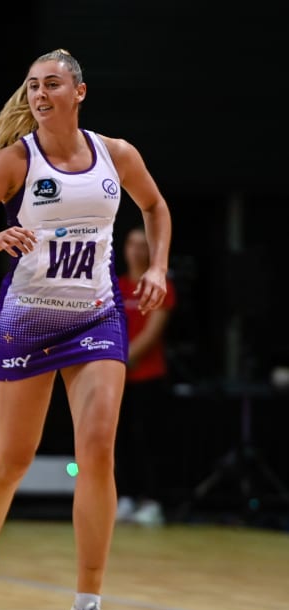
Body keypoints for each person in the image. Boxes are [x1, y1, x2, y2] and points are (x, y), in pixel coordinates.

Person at [0, 49, 172, 610]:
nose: (40, 94)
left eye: (52, 84)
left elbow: (155, 206)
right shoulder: (15, 161)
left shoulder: (116, 154)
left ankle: (86, 608)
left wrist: (157, 267)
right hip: (28, 319)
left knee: (97, 449)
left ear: (79, 92)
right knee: (11, 460)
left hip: (96, 317)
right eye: (32, 86)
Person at [115, 226, 177, 527]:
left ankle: (152, 501)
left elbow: (153, 331)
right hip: (116, 380)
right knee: (118, 439)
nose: (137, 250)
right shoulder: (115, 285)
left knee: (149, 440)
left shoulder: (159, 285)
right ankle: (124, 497)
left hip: (148, 376)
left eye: (143, 245)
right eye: (132, 244)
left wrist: (124, 359)